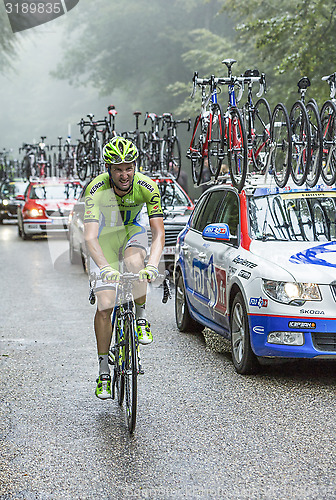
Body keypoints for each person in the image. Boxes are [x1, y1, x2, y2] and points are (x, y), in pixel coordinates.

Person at [84, 136, 165, 399]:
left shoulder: (147, 187)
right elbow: (90, 237)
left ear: (135, 166)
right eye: (118, 169)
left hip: (132, 231)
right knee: (105, 304)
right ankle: (104, 371)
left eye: (129, 167)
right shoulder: (96, 189)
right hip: (106, 236)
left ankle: (140, 319)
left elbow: (158, 232)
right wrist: (105, 268)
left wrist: (153, 265)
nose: (124, 174)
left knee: (135, 264)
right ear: (108, 169)